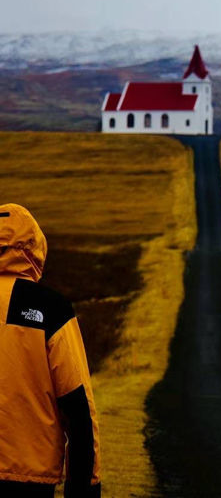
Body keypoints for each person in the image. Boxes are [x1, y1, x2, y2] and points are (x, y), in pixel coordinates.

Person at [0, 203, 101, 497]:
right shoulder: (51, 308)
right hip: (29, 481)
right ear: (34, 246)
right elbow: (79, 407)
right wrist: (86, 486)